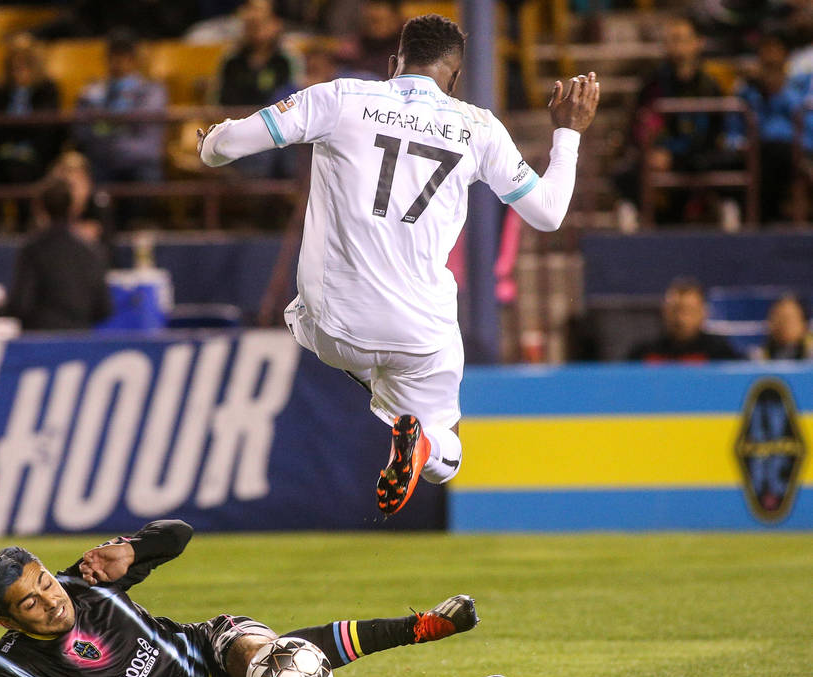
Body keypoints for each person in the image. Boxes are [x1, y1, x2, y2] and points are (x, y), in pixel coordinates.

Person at [197, 14, 599, 515]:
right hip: (421, 333)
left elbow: (225, 147)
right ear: (453, 78)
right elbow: (548, 214)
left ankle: (386, 398)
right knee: (444, 456)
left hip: (332, 326)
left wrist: (208, 140)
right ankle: (421, 441)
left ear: (393, 64)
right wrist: (568, 134)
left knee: (304, 323)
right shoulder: (478, 127)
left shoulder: (340, 98)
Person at [0, 519, 506, 677]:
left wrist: (136, 548)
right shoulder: (14, 670)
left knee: (265, 660)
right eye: (31, 602)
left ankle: (419, 628)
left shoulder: (87, 580)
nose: (51, 600)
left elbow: (179, 534)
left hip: (212, 646)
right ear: (9, 623)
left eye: (45, 582)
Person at [615, 16, 731, 225]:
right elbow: (638, 126)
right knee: (624, 176)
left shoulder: (710, 85)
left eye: (681, 39)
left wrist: (680, 155)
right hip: (659, 157)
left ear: (698, 43)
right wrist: (653, 151)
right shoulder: (652, 84)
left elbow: (717, 131)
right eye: (670, 40)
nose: (676, 45)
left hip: (697, 157)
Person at [6, 177, 111, 330]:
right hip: (80, 344)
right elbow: (103, 309)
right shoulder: (92, 250)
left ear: (39, 208)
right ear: (71, 208)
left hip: (39, 344)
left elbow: (20, 305)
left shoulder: (33, 249)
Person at [725, 34, 804, 223]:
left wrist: (779, 92)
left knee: (779, 156)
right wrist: (737, 144)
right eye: (765, 51)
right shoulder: (746, 91)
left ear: (785, 55)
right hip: (755, 152)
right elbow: (732, 131)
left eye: (775, 51)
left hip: (791, 152)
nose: (770, 57)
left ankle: (766, 216)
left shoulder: (798, 88)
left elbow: (807, 128)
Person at [73, 29, 166, 185]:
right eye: (112, 56)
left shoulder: (152, 90)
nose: (118, 62)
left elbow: (147, 132)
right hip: (102, 161)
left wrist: (105, 119)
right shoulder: (92, 92)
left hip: (139, 162)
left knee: (147, 177)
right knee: (85, 177)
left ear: (135, 59)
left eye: (124, 56)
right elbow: (81, 131)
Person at [0, 34, 63, 186]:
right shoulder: (1, 92)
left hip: (36, 155)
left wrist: (12, 129)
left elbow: (44, 128)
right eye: (14, 66)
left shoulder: (47, 90)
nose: (19, 71)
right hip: (0, 153)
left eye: (24, 65)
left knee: (18, 171)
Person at [627, 278, 739, 363]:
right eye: (675, 310)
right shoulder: (644, 353)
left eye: (688, 311)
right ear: (665, 312)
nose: (680, 319)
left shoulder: (721, 354)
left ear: (703, 313)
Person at [216, 0, 294, 108]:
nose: (253, 19)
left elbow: (293, 98)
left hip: (276, 120)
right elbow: (218, 101)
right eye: (250, 26)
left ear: (276, 24)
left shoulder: (286, 60)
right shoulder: (232, 60)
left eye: (261, 24)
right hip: (235, 119)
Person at [753, 293, 813, 360]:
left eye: (789, 318)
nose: (784, 324)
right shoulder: (759, 358)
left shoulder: (810, 352)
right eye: (779, 318)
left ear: (803, 323)